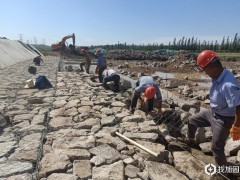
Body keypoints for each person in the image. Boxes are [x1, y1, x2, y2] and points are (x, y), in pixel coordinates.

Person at [183, 50, 240, 167]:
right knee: (191, 120)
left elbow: (239, 107)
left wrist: (237, 126)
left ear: (213, 66)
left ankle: (223, 173)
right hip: (212, 112)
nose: (205, 73)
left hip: (223, 120)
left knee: (216, 147)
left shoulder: (228, 85)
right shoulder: (218, 74)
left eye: (205, 69)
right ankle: (191, 141)